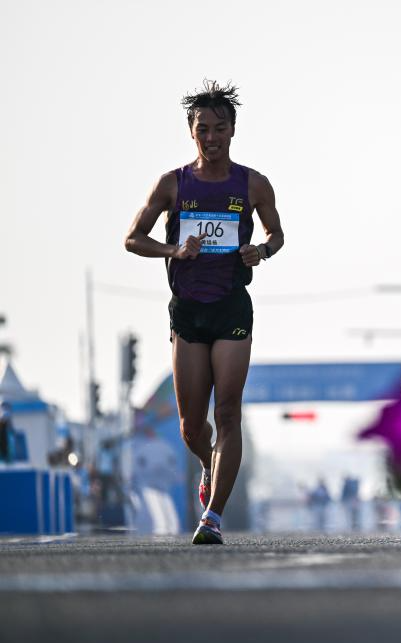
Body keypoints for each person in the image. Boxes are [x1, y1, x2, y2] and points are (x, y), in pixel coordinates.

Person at [125, 81, 285, 544]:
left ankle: (212, 517)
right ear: (191, 133)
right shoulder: (172, 184)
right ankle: (206, 460)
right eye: (203, 130)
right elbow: (133, 238)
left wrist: (260, 251)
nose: (211, 138)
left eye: (219, 128)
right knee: (193, 427)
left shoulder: (253, 184)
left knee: (229, 412)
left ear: (233, 130)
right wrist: (174, 249)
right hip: (188, 312)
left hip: (231, 305)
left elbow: (276, 234)